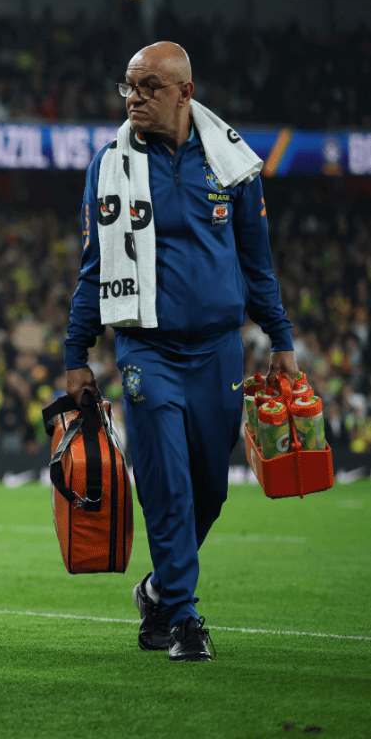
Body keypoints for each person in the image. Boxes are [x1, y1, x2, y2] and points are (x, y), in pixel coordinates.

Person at [65, 42, 297, 662]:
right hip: (147, 347)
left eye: (149, 87)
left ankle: (158, 592)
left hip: (219, 350)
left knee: (210, 491)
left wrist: (282, 338)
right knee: (167, 481)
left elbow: (258, 263)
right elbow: (94, 266)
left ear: (185, 93)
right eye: (129, 86)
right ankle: (186, 619)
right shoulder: (109, 164)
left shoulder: (231, 163)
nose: (134, 98)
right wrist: (76, 352)